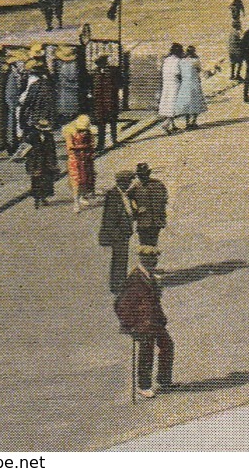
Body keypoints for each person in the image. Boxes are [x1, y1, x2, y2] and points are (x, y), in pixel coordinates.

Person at [115, 245, 174, 399]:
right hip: (142, 324)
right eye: (151, 259)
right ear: (143, 259)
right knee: (146, 353)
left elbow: (154, 301)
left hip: (154, 321)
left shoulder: (150, 276)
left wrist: (161, 318)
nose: (154, 261)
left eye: (155, 258)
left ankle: (164, 380)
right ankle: (144, 386)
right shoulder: (135, 278)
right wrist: (130, 325)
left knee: (167, 345)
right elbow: (121, 304)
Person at [99, 169, 137, 293]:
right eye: (129, 181)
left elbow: (127, 210)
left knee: (122, 259)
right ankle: (117, 286)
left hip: (124, 233)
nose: (130, 184)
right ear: (122, 182)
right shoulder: (113, 195)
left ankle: (120, 283)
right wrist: (117, 236)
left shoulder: (124, 194)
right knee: (119, 259)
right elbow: (109, 219)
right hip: (118, 234)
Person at [62, 114, 97, 213]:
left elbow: (92, 144)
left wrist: (89, 150)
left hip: (86, 158)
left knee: (86, 178)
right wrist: (85, 147)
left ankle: (82, 196)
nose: (83, 132)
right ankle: (76, 202)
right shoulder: (70, 133)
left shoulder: (89, 133)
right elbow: (70, 147)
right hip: (75, 159)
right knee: (76, 179)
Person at [129, 163, 169, 247]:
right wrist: (135, 210)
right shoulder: (136, 187)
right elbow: (128, 199)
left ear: (148, 173)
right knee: (144, 246)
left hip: (155, 221)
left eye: (143, 174)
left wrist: (162, 215)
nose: (141, 177)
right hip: (143, 221)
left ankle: (151, 258)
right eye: (139, 175)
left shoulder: (158, 184)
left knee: (152, 245)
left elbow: (164, 200)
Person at [24, 119, 59, 208]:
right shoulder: (32, 136)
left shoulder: (50, 136)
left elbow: (53, 149)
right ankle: (37, 199)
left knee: (47, 180)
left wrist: (54, 162)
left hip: (47, 161)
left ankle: (43, 197)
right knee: (36, 180)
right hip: (35, 161)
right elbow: (25, 149)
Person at [174, 45, 207, 129]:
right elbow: (199, 70)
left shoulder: (181, 61)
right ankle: (194, 121)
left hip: (185, 84)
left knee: (187, 103)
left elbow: (179, 73)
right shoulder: (196, 60)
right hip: (194, 82)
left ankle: (187, 122)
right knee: (196, 102)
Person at [2, 50, 28, 155]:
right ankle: (12, 146)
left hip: (18, 105)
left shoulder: (18, 74)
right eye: (21, 62)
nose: (23, 64)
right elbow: (11, 95)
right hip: (14, 106)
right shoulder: (13, 76)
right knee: (13, 126)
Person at [157, 44, 184, 134]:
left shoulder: (167, 60)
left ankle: (173, 125)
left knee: (168, 103)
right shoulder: (178, 61)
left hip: (166, 84)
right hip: (175, 84)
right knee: (174, 104)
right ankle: (166, 124)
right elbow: (178, 73)